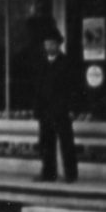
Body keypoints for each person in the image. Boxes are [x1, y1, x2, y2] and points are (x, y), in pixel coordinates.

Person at [33, 26, 79, 183]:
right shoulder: (41, 64)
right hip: (45, 110)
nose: (49, 47)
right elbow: (37, 88)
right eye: (47, 44)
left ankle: (70, 174)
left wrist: (72, 108)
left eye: (52, 44)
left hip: (62, 109)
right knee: (46, 142)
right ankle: (48, 173)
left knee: (66, 142)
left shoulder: (66, 62)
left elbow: (73, 87)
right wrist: (37, 109)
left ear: (58, 45)